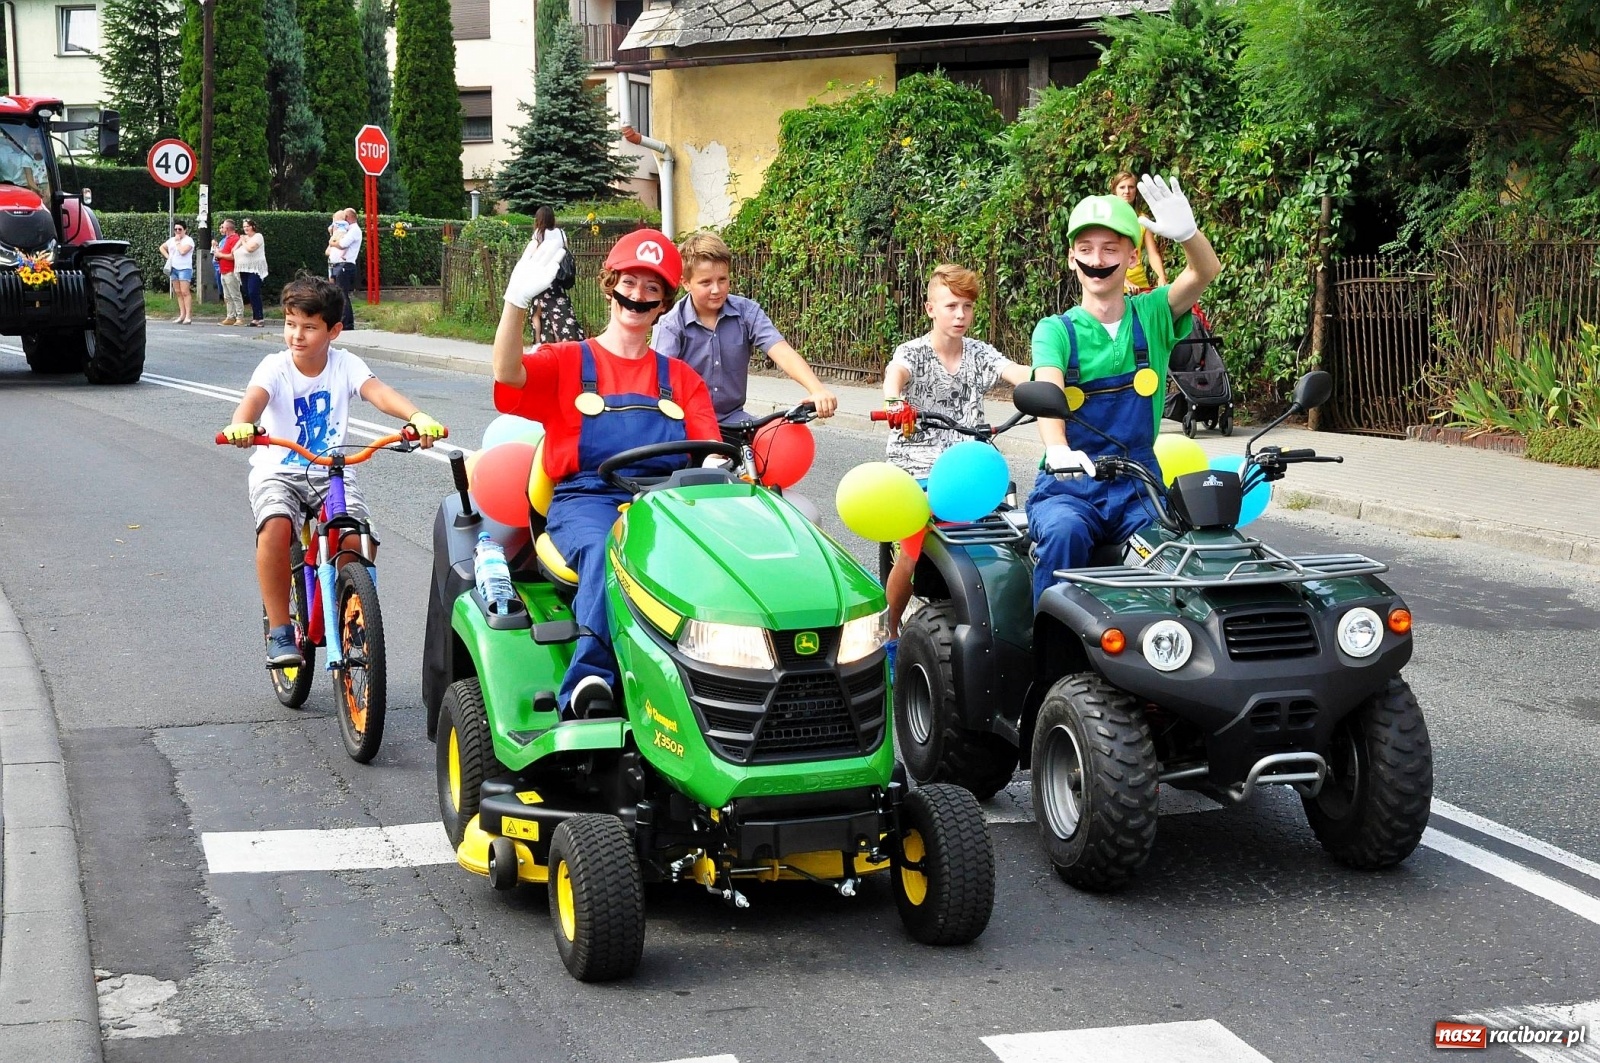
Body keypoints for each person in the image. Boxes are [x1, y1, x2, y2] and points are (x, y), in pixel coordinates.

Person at [492, 229, 720, 719]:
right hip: (586, 499)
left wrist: (720, 472)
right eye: (629, 283)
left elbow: (709, 453)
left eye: (651, 288)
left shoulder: (682, 379)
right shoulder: (566, 361)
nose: (637, 296)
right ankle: (589, 678)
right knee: (607, 549)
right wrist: (516, 302)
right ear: (610, 285)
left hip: (667, 502)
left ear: (663, 304)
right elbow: (508, 373)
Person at [221, 274, 445, 666]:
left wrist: (416, 416)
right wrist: (242, 424)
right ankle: (280, 630)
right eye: (290, 324)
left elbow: (378, 392)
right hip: (279, 470)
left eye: (309, 327)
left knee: (356, 539)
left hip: (331, 472)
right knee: (275, 527)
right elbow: (253, 400)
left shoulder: (345, 365)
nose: (297, 335)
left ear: (334, 331)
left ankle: (351, 610)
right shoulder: (275, 367)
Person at [1027, 175, 1221, 605]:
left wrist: (1188, 235)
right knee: (1064, 533)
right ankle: (1049, 641)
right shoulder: (1055, 330)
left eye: (1110, 249)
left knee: (1176, 552)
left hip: (1138, 486)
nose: (1097, 260)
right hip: (1069, 486)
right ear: (1072, 258)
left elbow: (1204, 272)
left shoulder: (1152, 313)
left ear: (1132, 256)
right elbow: (1047, 389)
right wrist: (1057, 448)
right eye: (1086, 249)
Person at [881, 263, 1031, 639]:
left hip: (967, 466)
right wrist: (894, 400)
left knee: (1010, 533)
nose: (960, 314)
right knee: (911, 549)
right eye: (951, 306)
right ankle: (891, 631)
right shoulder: (914, 352)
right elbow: (896, 372)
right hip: (917, 464)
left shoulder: (978, 353)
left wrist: (1050, 379)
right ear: (931, 309)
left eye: (967, 306)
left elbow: (1015, 371)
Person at [652, 231, 838, 443]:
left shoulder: (746, 312)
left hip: (733, 420)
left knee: (779, 444)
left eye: (722, 279)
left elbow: (781, 351)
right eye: (706, 282)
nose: (716, 289)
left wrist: (817, 390)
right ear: (686, 283)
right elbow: (657, 380)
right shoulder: (671, 325)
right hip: (686, 424)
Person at [529, 206, 584, 343]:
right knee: (556, 309)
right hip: (557, 277)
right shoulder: (561, 232)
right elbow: (565, 251)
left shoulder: (539, 233)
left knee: (537, 312)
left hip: (542, 276)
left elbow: (533, 255)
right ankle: (562, 337)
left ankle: (538, 341)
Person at [1111, 171, 1169, 293]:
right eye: (1122, 187)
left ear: (1136, 191)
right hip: (1113, 285)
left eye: (1131, 187)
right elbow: (1106, 257)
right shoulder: (1108, 218)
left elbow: (1152, 253)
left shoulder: (1143, 219)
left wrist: (1161, 276)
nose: (1127, 191)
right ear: (1115, 190)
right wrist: (1125, 282)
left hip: (1140, 284)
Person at [327, 209, 360, 330]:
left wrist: (332, 242)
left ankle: (346, 323)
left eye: (345, 217)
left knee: (342, 294)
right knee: (340, 294)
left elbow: (342, 244)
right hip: (339, 265)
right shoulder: (348, 229)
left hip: (345, 265)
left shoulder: (354, 230)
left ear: (349, 217)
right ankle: (344, 322)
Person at [235, 218, 269, 326]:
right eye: (244, 227)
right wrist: (240, 240)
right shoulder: (244, 238)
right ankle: (255, 318)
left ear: (253, 227)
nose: (245, 228)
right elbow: (233, 250)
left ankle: (259, 317)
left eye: (247, 226)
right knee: (248, 292)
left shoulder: (258, 236)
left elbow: (250, 249)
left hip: (255, 269)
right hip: (243, 269)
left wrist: (243, 241)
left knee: (253, 291)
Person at [159, 222, 195, 324]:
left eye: (180, 229)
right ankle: (182, 314)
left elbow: (183, 251)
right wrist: (168, 257)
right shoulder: (171, 240)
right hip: (173, 268)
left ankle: (188, 316)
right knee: (178, 292)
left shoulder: (189, 240)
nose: (177, 231)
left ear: (185, 230)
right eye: (176, 229)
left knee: (185, 292)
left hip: (184, 268)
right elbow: (162, 247)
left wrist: (178, 242)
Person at [213, 219, 245, 326]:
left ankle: (240, 317)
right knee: (227, 296)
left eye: (223, 227)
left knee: (235, 295)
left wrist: (220, 255)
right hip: (223, 270)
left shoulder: (235, 239)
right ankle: (230, 316)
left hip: (231, 271)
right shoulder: (226, 239)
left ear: (227, 228)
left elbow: (233, 256)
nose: (221, 228)